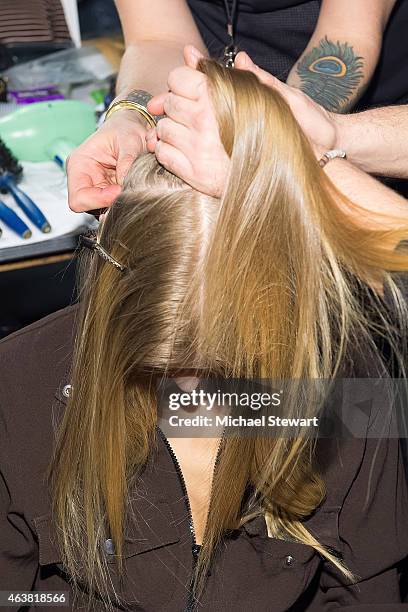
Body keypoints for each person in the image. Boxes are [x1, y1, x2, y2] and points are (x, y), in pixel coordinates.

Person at [1, 60, 408, 611]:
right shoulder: (17, 388)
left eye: (227, 373)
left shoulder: (349, 387)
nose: (196, 403)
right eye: (160, 373)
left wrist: (301, 159)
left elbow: (367, 588)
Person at [66, 0, 408, 213]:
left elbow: (345, 39)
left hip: (366, 136)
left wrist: (261, 132)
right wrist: (133, 113)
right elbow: (158, 38)